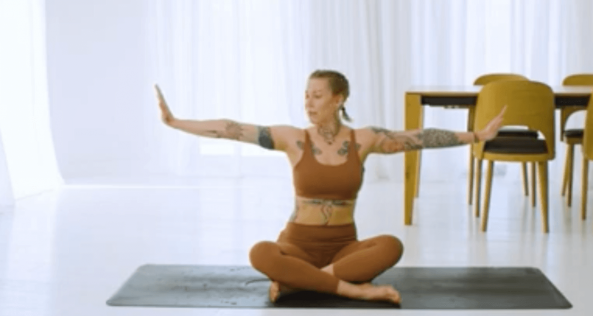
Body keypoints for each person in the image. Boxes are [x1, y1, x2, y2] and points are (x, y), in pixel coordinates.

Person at [154, 70, 507, 305]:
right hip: (296, 245)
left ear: (338, 99)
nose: (308, 103)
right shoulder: (293, 138)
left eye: (317, 96)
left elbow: (419, 137)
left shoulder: (363, 139)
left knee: (391, 245)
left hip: (343, 250)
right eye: (306, 95)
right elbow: (232, 129)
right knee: (260, 252)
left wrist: (477, 135)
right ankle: (352, 290)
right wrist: (176, 122)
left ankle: (302, 282)